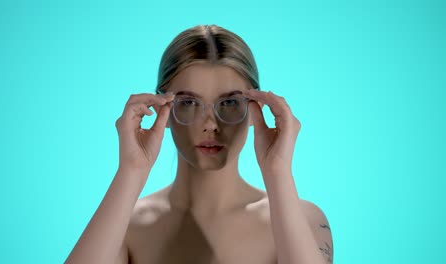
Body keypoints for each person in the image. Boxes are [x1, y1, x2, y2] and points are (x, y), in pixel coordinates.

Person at [65, 24, 333, 264]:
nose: (211, 124)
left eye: (229, 103)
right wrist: (131, 170)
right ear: (163, 109)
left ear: (256, 109)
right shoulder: (125, 225)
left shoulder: (304, 220)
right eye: (189, 103)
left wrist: (278, 173)